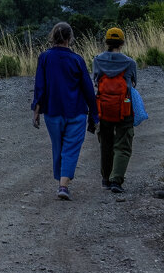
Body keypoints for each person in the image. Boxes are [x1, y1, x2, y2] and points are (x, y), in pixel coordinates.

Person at [31, 21, 98, 200]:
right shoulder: (77, 60)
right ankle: (63, 185)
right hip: (76, 111)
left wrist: (36, 110)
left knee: (58, 147)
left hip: (52, 112)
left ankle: (61, 182)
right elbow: (88, 88)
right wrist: (94, 112)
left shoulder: (44, 57)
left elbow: (40, 86)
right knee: (71, 148)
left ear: (53, 37)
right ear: (69, 38)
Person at [92, 26, 139, 194]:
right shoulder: (130, 63)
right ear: (122, 42)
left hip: (103, 108)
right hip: (124, 109)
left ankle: (105, 178)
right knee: (123, 144)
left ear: (106, 42)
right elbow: (133, 84)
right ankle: (116, 180)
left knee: (105, 143)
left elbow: (96, 81)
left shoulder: (97, 60)